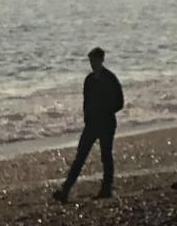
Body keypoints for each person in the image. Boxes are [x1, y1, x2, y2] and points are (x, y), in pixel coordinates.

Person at [53, 47, 124, 202]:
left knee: (106, 156)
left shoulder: (110, 78)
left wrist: (105, 111)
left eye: (95, 61)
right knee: (80, 156)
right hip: (92, 124)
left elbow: (120, 102)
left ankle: (106, 189)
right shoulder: (89, 80)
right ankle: (65, 190)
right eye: (91, 61)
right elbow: (86, 101)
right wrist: (87, 117)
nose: (92, 64)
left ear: (101, 60)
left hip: (106, 123)